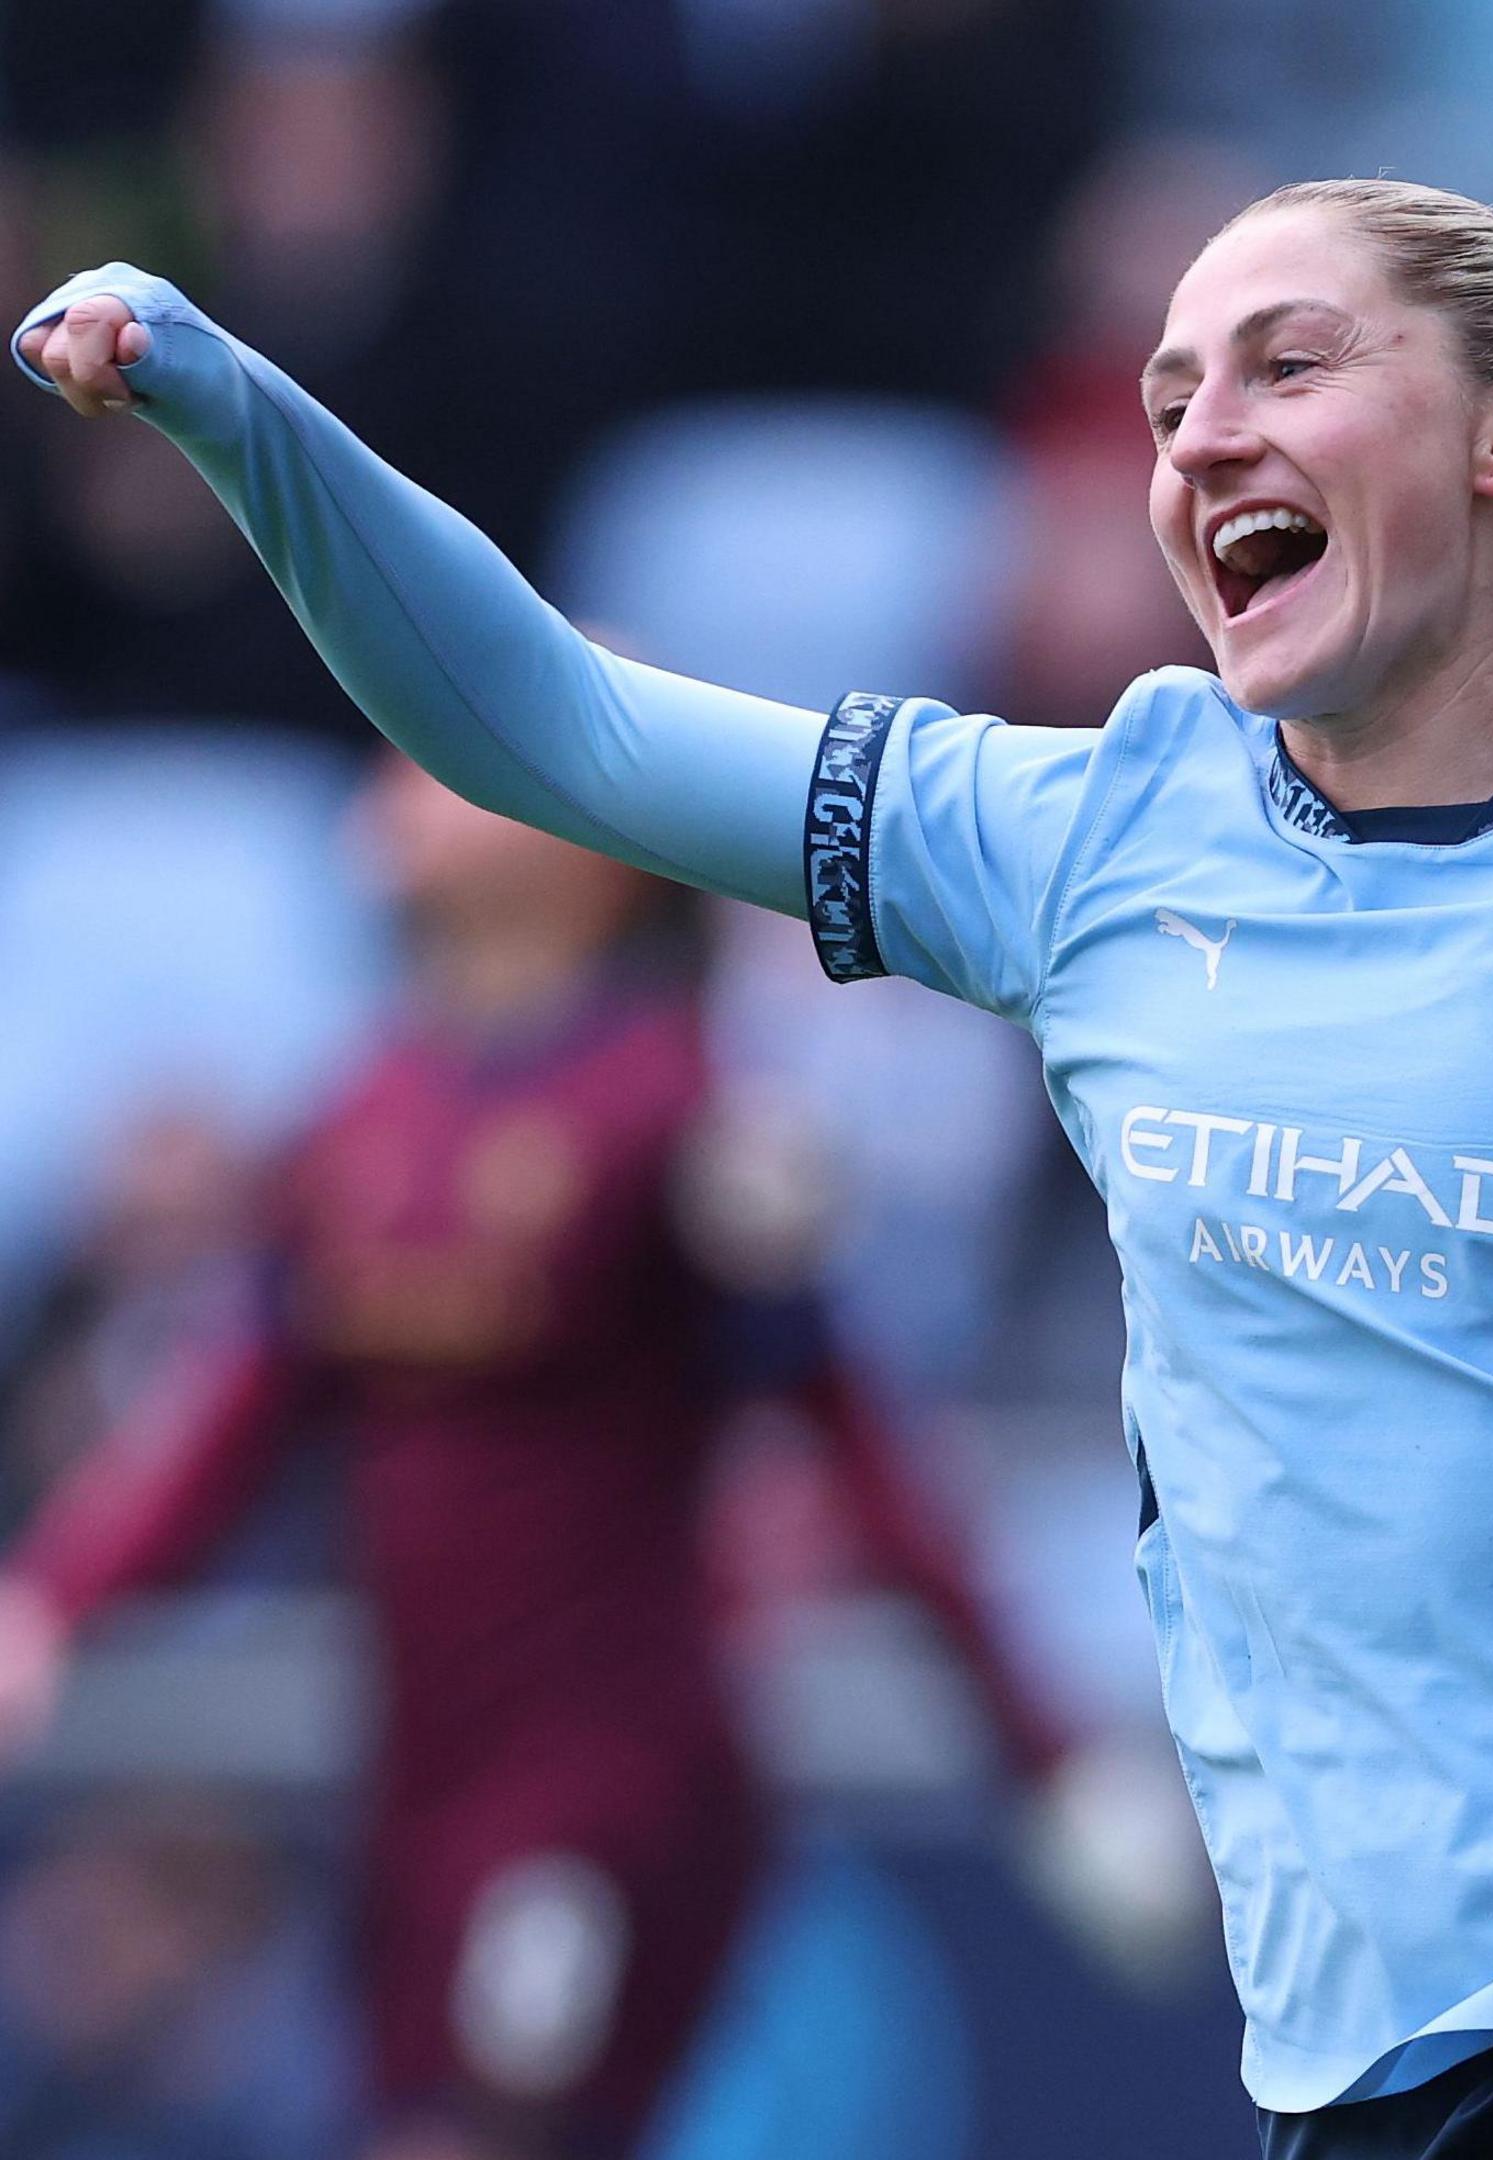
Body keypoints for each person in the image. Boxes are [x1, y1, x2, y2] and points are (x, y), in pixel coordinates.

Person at [17, 170, 1493, 2159]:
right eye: (1166, 401)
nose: (1199, 439)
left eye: (1288, 366)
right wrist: (235, 412)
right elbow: (554, 727)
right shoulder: (1104, 832)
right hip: (1368, 2026)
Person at [0, 757, 1076, 2160]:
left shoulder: (676, 1120)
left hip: (611, 1778)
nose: (410, 775)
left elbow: (849, 1436)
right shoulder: (359, 1117)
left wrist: (1035, 1745)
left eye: (463, 755)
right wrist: (51, 1602)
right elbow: (233, 1425)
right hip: (419, 1774)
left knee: (493, 2124)